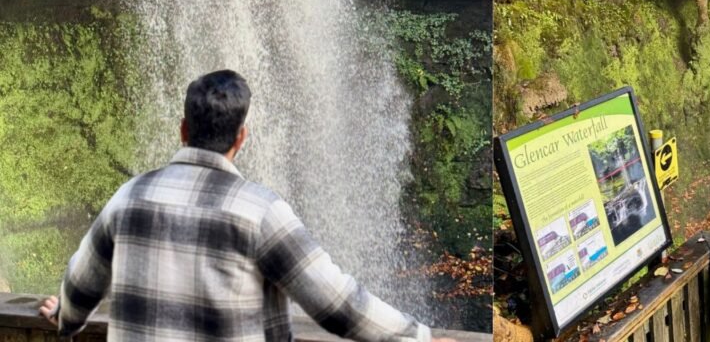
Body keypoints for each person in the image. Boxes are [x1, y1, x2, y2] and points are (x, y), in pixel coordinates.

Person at [39, 69, 452, 342]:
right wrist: (418, 335)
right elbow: (337, 304)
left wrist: (66, 315)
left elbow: (80, 285)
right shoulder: (260, 212)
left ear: (183, 129)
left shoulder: (128, 197)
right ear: (241, 137)